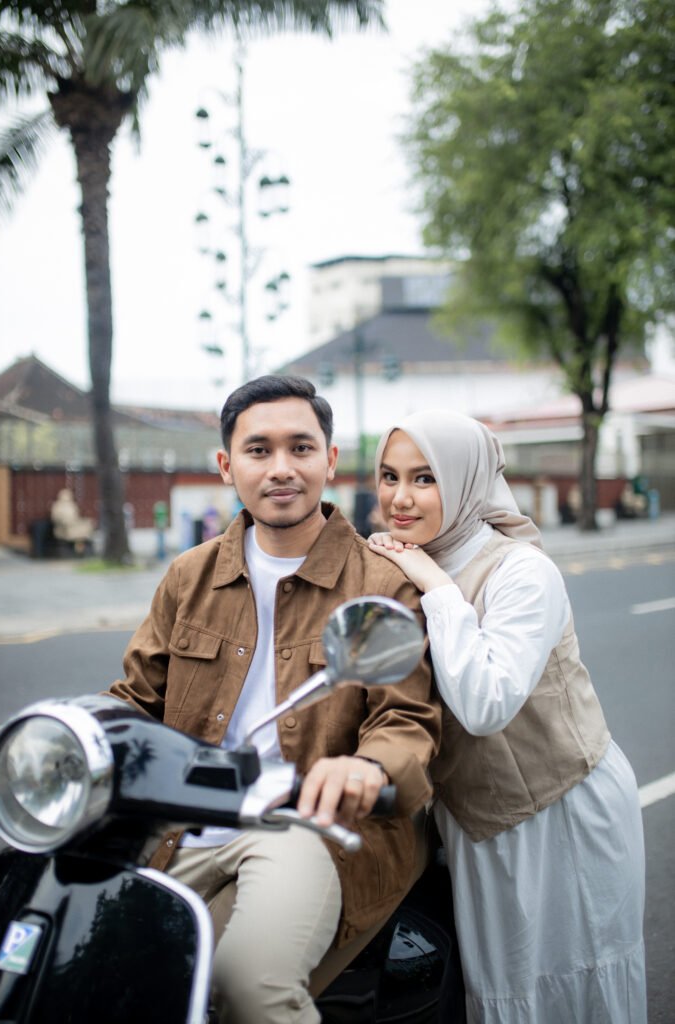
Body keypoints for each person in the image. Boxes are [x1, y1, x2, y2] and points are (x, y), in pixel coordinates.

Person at [108, 375, 440, 1024]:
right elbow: (136, 700)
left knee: (244, 985)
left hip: (313, 827)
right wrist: (52, 735)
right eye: (259, 450)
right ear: (226, 466)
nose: (281, 468)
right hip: (182, 821)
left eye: (301, 448)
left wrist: (366, 768)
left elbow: (405, 717)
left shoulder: (381, 582)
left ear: (330, 460)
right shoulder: (188, 576)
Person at [367, 409, 646, 1024]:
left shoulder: (521, 571)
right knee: (506, 993)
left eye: (425, 478)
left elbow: (485, 703)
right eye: (389, 476)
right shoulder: (394, 564)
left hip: (565, 814)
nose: (400, 498)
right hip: (477, 825)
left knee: (581, 982)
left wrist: (435, 585)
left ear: (465, 480)